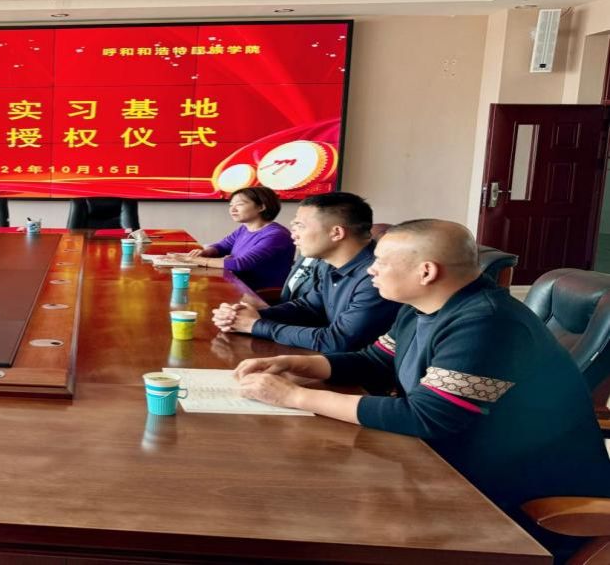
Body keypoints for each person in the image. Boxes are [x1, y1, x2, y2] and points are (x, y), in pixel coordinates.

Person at [234, 219, 610, 559]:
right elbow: (375, 361)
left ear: (426, 271)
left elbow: (427, 417)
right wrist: (294, 364)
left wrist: (295, 396)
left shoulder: (488, 323)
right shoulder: (421, 307)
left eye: (380, 261)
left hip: (514, 498)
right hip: (442, 466)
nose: (370, 269)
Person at [212, 192, 400, 353]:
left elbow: (338, 341)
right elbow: (309, 307)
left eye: (300, 226)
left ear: (336, 233)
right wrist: (253, 315)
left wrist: (255, 325)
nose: (293, 235)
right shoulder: (329, 264)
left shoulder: (376, 276)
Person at [175, 186, 295, 290]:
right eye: (231, 205)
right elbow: (222, 246)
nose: (232, 209)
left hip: (258, 294)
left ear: (261, 207)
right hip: (237, 285)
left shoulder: (276, 235)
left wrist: (192, 260)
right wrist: (205, 252)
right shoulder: (244, 228)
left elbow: (240, 264)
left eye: (239, 204)